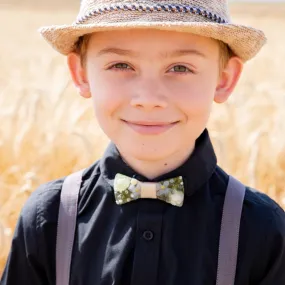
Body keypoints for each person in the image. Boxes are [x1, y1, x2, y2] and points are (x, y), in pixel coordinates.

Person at [1, 1, 285, 284]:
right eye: (121, 64)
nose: (148, 99)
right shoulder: (49, 220)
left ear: (224, 79)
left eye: (180, 68)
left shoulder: (261, 229)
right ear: (81, 73)